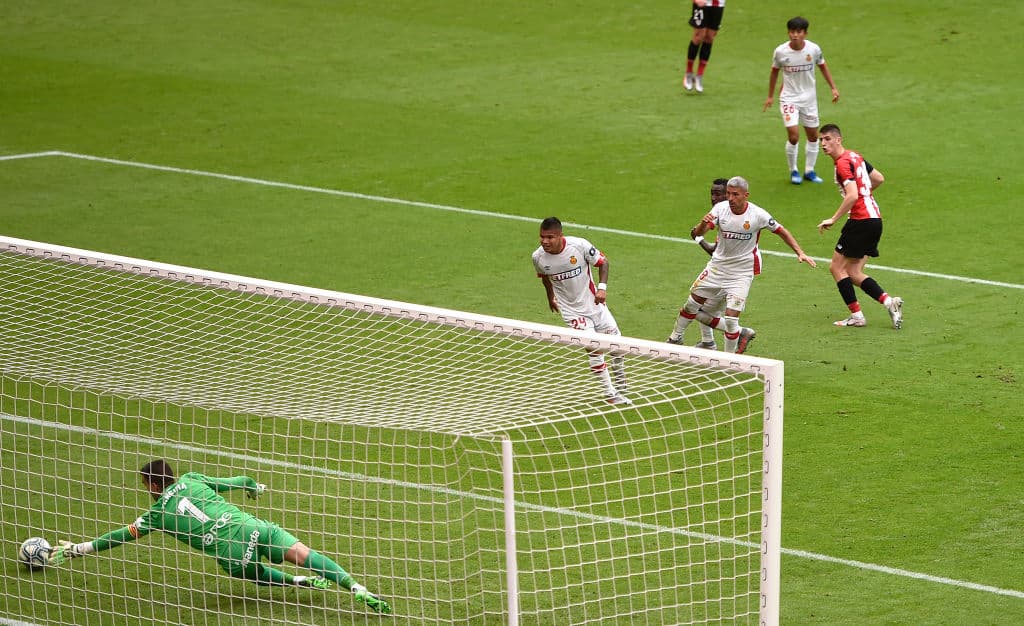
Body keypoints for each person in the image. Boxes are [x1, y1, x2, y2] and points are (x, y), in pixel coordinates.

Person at [48, 460, 392, 614]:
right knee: (305, 552)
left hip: (230, 554)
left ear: (154, 486)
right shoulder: (193, 478)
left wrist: (78, 549)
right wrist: (254, 488)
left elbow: (120, 536)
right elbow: (240, 480)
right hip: (249, 527)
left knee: (252, 574)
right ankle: (355, 587)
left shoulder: (155, 515)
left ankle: (296, 582)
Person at [667, 176, 817, 353]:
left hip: (742, 272)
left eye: (735, 194)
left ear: (746, 195)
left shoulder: (758, 215)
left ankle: (729, 359)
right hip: (717, 267)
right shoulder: (720, 209)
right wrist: (702, 224)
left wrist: (800, 252)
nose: (730, 198)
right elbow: (701, 232)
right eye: (728, 194)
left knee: (731, 319)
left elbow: (781, 231)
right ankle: (675, 338)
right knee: (692, 305)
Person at [532, 217, 630, 405]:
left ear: (561, 235)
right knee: (593, 347)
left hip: (595, 304)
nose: (545, 241)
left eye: (550, 237)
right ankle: (610, 394)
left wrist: (602, 288)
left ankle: (620, 380)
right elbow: (545, 278)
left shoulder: (579, 246)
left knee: (618, 344)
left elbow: (604, 262)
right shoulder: (538, 257)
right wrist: (550, 297)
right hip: (572, 311)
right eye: (542, 237)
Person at [817, 123, 903, 329]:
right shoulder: (856, 157)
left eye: (827, 139)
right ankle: (889, 303)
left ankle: (857, 316)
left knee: (836, 268)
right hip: (875, 219)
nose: (823, 144)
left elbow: (853, 195)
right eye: (821, 140)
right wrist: (866, 194)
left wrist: (833, 218)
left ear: (838, 140)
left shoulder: (842, 164)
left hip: (860, 220)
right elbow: (879, 179)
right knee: (854, 271)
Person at [762, 16, 840, 185]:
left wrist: (833, 87)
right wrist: (770, 96)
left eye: (799, 32)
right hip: (789, 98)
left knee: (813, 137)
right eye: (792, 32)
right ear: (788, 32)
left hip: (809, 99)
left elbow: (823, 67)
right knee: (794, 136)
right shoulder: (781, 52)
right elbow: (774, 72)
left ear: (805, 33)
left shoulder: (813, 50)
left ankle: (809, 171)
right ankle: (794, 171)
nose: (795, 35)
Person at [686, 178, 730, 351]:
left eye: (718, 194)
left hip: (725, 275)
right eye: (712, 193)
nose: (713, 198)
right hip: (724, 272)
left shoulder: (728, 218)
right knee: (703, 307)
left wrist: (698, 239)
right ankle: (707, 342)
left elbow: (715, 251)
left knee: (695, 308)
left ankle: (739, 333)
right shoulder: (725, 214)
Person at [683, 0, 726, 93]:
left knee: (710, 37)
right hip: (702, 2)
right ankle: (689, 72)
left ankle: (699, 75)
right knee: (698, 36)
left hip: (718, 4)